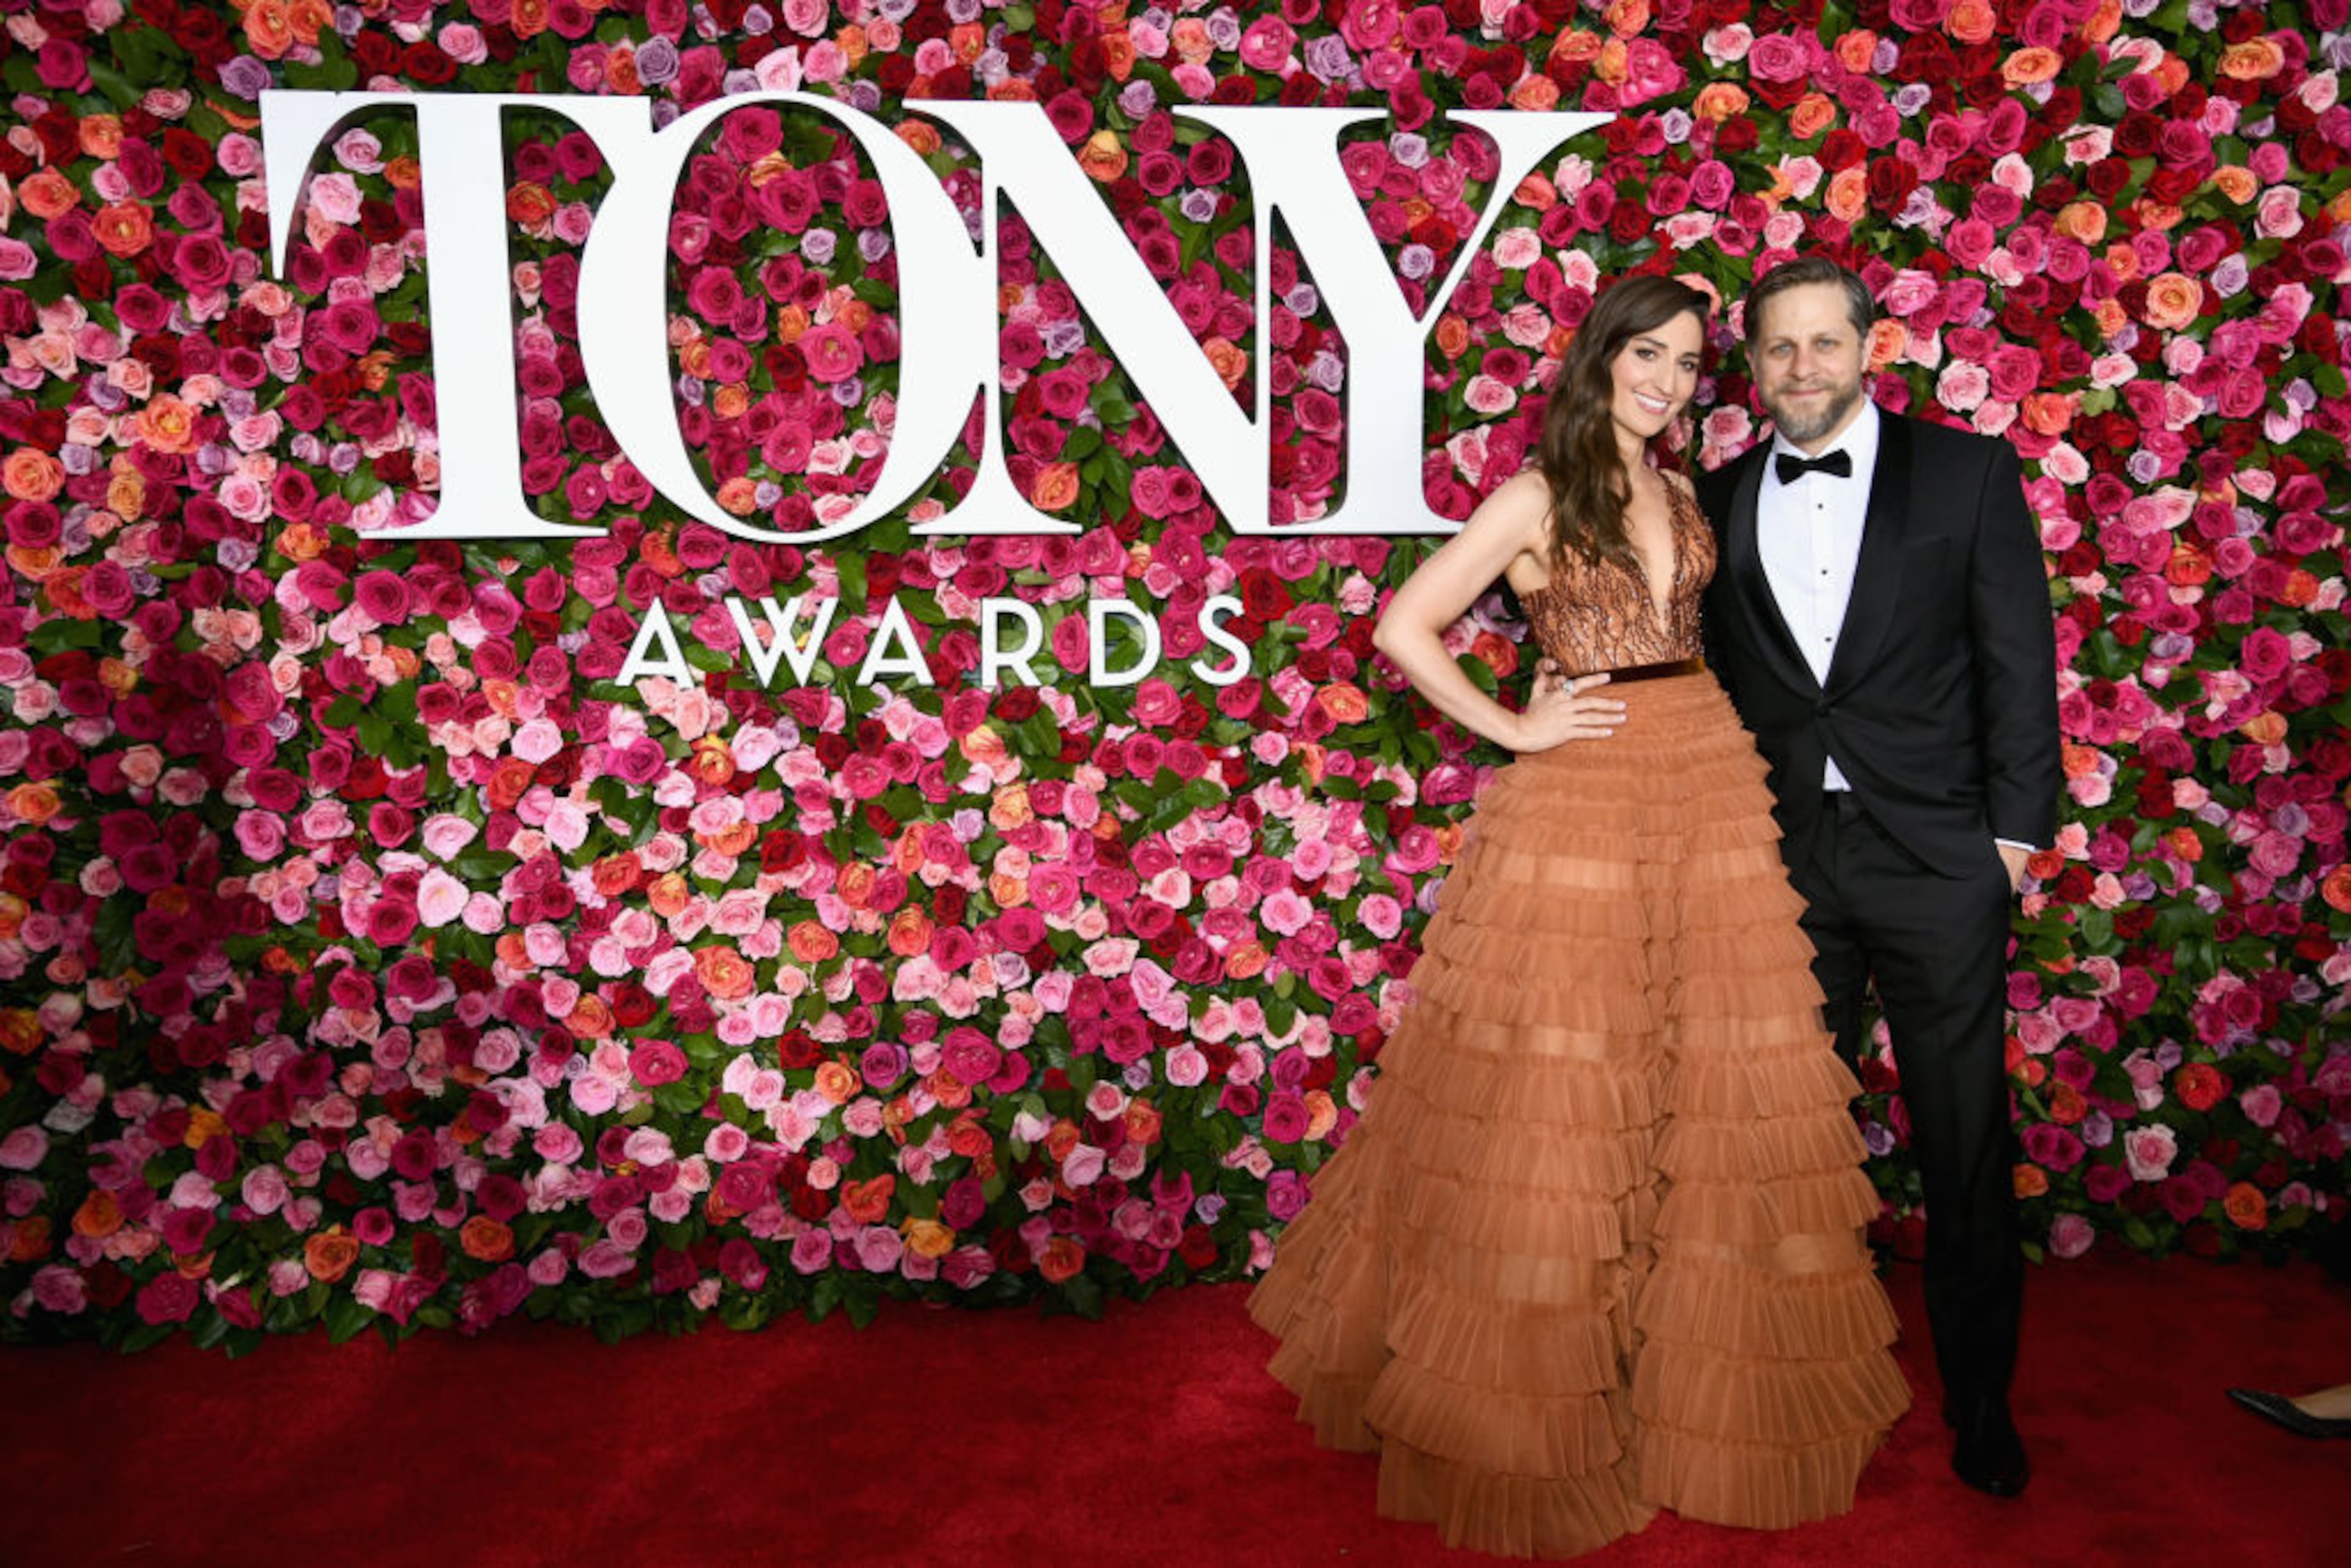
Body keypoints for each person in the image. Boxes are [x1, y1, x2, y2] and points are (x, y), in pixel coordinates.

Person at [1248, 274, 1908, 1559]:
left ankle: (1682, 1392)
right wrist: (1517, 722)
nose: (1665, 379)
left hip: (1708, 774)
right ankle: (1547, 1398)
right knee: (1569, 1087)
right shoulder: (1537, 495)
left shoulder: (1678, 487)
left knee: (1707, 1070)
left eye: (1686, 362)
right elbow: (1405, 624)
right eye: (1645, 354)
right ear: (1600, 357)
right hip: (1588, 787)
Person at [1690, 257, 2061, 1499]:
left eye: (1823, 344)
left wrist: (2008, 844)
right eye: (1777, 350)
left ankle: (1982, 1404)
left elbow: (2019, 663)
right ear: (1750, 370)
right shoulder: (1717, 497)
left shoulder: (1967, 474)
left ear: (1868, 347)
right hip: (1785, 866)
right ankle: (1798, 1380)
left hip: (1938, 863)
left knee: (1961, 1142)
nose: (1803, 369)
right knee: (1789, 1144)